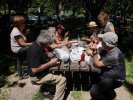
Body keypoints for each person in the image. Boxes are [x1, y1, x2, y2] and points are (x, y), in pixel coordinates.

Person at [27, 30, 66, 100]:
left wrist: (49, 56)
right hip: (37, 76)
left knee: (59, 72)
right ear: (44, 41)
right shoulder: (34, 50)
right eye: (49, 43)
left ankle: (47, 88)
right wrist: (50, 63)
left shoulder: (38, 44)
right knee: (62, 79)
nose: (50, 44)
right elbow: (34, 70)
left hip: (41, 73)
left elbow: (41, 57)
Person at [86, 32, 126, 100]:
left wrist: (94, 51)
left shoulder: (114, 55)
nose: (100, 41)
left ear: (106, 44)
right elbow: (98, 58)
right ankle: (108, 94)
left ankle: (107, 94)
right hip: (109, 75)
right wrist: (93, 53)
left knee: (94, 91)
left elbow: (97, 64)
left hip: (116, 80)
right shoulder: (108, 49)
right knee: (93, 78)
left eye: (102, 40)